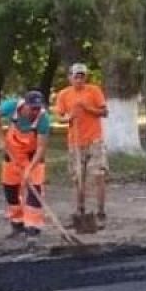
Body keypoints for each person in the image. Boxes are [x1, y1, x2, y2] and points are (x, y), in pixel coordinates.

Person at [0, 90, 52, 239]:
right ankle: (17, 224)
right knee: (10, 189)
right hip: (12, 153)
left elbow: (41, 148)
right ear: (25, 104)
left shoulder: (43, 119)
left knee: (34, 190)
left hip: (33, 157)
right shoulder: (12, 106)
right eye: (32, 108)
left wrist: (29, 169)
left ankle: (33, 228)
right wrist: (1, 139)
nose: (35, 112)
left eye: (38, 108)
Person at [53, 63, 109, 226]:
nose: (79, 79)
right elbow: (59, 116)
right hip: (75, 142)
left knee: (98, 175)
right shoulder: (64, 94)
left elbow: (104, 112)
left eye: (82, 76)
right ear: (70, 77)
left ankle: (100, 211)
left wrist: (87, 108)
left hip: (94, 140)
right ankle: (80, 210)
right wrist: (68, 118)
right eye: (76, 76)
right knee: (78, 177)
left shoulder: (94, 91)